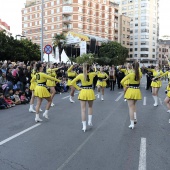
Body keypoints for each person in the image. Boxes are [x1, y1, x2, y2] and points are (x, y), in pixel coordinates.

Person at [70, 63, 97, 132]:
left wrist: (78, 88)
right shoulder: (92, 74)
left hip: (83, 92)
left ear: (82, 68)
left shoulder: (80, 75)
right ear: (89, 69)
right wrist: (95, 67)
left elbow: (72, 82)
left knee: (83, 110)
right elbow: (96, 72)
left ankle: (84, 126)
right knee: (90, 107)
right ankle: (90, 121)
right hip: (90, 91)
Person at [121, 62, 142, 129]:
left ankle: (132, 123)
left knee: (130, 107)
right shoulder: (140, 74)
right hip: (137, 90)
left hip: (130, 90)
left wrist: (125, 86)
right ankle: (135, 118)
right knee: (133, 106)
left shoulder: (130, 74)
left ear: (132, 67)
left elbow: (121, 82)